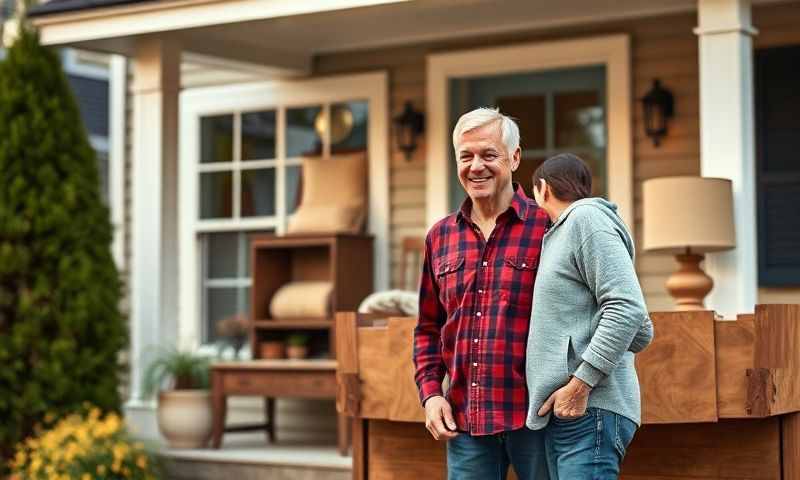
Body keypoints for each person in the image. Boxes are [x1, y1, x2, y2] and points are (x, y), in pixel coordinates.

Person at [412, 107, 550, 480]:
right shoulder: (440, 237)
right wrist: (431, 394)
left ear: (515, 158)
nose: (477, 166)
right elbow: (427, 328)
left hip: (537, 422)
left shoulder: (549, 227)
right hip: (466, 423)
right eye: (466, 156)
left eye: (489, 155)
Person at [525, 153, 654, 480]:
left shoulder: (585, 220)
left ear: (542, 189)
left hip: (589, 410)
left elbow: (628, 308)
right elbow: (640, 331)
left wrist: (581, 383)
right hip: (571, 413)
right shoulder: (568, 231)